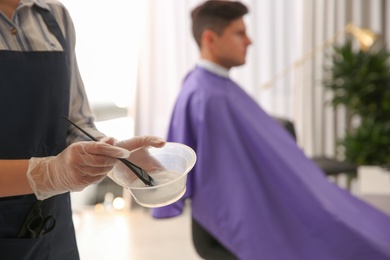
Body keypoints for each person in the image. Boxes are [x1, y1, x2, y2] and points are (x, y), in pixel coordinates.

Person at [152, 1, 390, 259]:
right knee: (353, 231)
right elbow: (225, 180)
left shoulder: (210, 87)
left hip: (258, 203)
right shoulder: (209, 96)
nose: (249, 41)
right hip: (242, 221)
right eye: (240, 33)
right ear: (210, 38)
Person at [0, 0, 165, 259]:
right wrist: (48, 173)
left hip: (51, 226)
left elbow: (75, 121)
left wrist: (110, 152)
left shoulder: (55, 16)